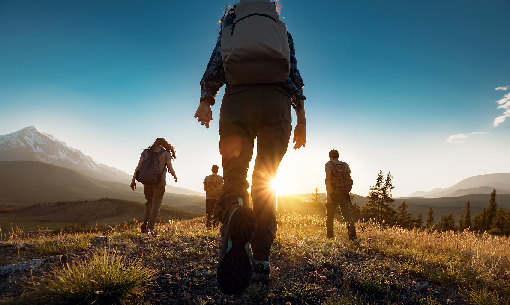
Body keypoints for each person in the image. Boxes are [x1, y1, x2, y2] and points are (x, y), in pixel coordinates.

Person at [194, 0, 306, 295]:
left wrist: (206, 100)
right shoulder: (281, 31)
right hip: (277, 106)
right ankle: (261, 262)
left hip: (238, 103)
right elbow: (294, 76)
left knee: (234, 175)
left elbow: (216, 66)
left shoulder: (231, 27)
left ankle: (235, 212)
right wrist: (301, 119)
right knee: (265, 180)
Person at [130, 138, 178, 234]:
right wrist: (174, 176)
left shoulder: (146, 152)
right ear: (164, 144)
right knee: (156, 204)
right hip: (159, 181)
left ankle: (145, 223)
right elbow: (170, 167)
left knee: (149, 202)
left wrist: (133, 180)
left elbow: (138, 167)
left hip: (147, 181)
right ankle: (150, 227)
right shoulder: (165, 153)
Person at [325, 149, 357, 240]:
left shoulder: (329, 164)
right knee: (347, 216)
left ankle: (330, 238)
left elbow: (328, 180)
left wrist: (328, 194)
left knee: (330, 216)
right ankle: (353, 238)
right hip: (344, 193)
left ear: (329, 156)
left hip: (333, 193)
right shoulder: (345, 165)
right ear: (338, 156)